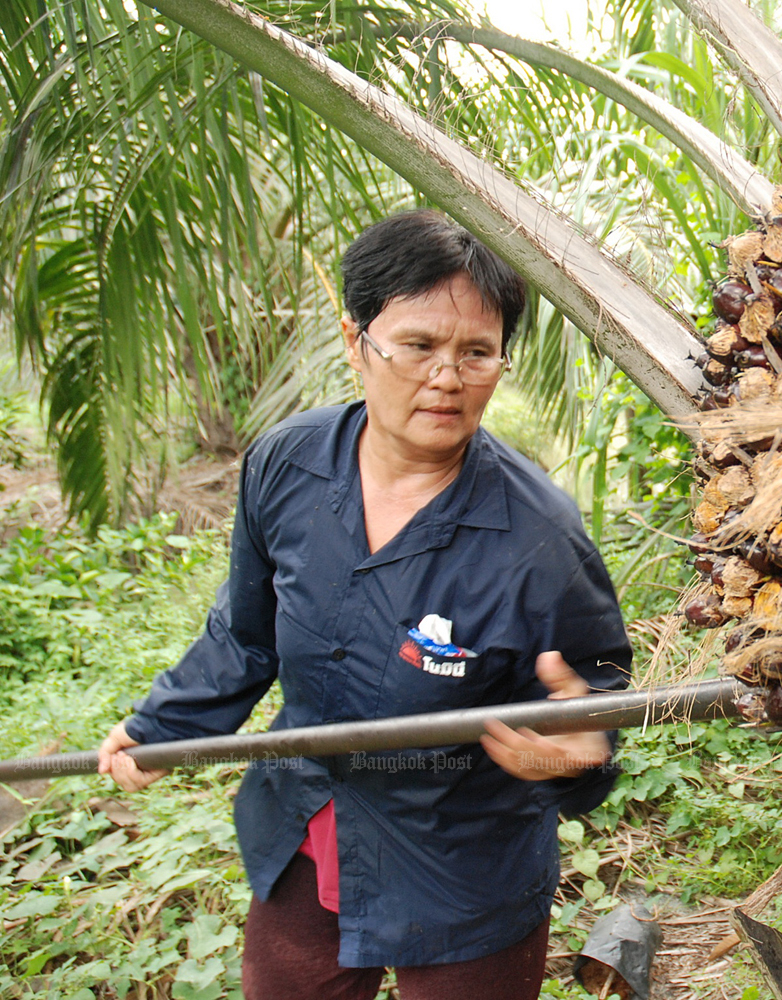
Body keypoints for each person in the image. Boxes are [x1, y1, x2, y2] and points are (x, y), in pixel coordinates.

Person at [96, 210, 631, 1000]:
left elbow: (596, 698)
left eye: (476, 353)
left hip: (461, 866)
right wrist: (163, 724)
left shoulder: (538, 534)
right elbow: (245, 632)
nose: (446, 378)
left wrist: (580, 750)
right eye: (418, 346)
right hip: (306, 830)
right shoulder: (287, 465)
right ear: (358, 342)